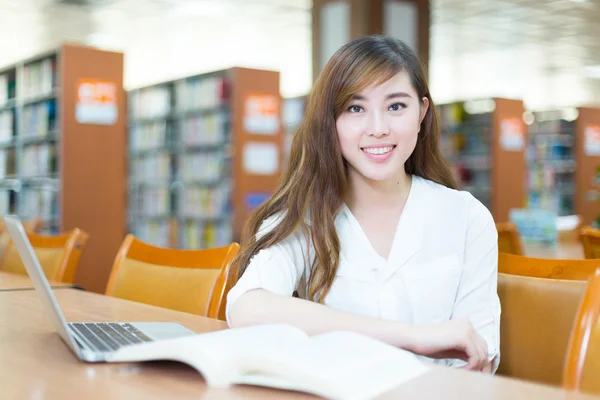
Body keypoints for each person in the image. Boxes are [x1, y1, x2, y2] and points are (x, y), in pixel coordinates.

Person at [226, 35, 500, 373]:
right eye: (355, 109)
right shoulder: (306, 217)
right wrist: (411, 337)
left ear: (422, 113)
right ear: (331, 122)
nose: (378, 128)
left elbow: (478, 362)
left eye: (396, 106)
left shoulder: (467, 217)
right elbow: (247, 306)